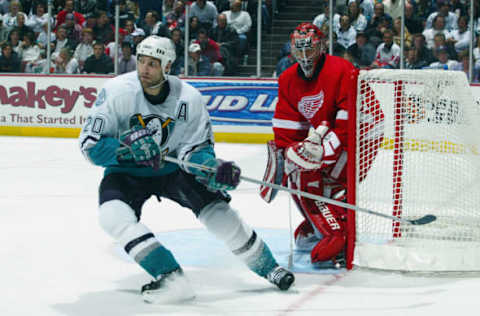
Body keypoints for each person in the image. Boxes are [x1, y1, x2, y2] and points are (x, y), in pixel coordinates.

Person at [78, 35, 295, 304]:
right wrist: (125, 150)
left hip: (173, 169)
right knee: (112, 217)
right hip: (127, 172)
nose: (144, 69)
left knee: (218, 212)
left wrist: (209, 167)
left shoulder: (188, 99)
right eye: (142, 62)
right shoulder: (116, 92)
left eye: (153, 64)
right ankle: (170, 276)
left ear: (167, 66)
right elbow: (90, 145)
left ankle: (269, 267)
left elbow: (196, 150)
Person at [261, 22, 357, 268]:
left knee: (327, 177)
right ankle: (321, 223)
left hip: (363, 134)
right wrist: (287, 155)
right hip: (331, 131)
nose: (304, 56)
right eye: (299, 49)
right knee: (298, 169)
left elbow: (348, 123)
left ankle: (337, 232)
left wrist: (324, 151)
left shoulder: (342, 69)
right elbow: (287, 128)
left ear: (321, 46)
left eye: (309, 48)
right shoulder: (288, 79)